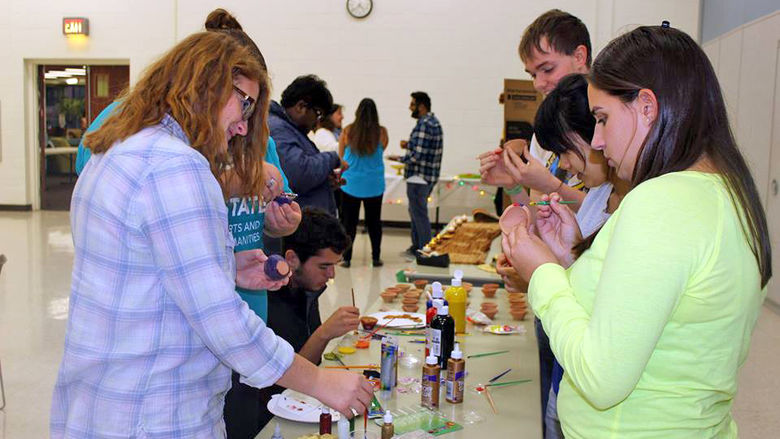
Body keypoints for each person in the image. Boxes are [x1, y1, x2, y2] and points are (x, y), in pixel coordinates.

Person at [50, 32, 372, 439]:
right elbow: (221, 319)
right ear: (202, 85)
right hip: (155, 413)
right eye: (243, 104)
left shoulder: (117, 147)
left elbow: (136, 268)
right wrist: (320, 382)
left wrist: (229, 266)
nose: (242, 125)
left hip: (104, 402)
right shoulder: (177, 167)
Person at [501, 25, 771, 438]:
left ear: (647, 106)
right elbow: (646, 315)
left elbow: (600, 377)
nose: (598, 141)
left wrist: (542, 274)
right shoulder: (728, 192)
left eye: (603, 119)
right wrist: (572, 260)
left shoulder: (662, 200)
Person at [252, 209, 360, 429]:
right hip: (269, 420)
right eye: (324, 266)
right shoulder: (267, 301)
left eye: (335, 265)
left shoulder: (306, 287)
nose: (331, 275)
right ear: (292, 259)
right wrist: (323, 334)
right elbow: (278, 383)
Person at [479, 9, 591, 209]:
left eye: (548, 69)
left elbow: (610, 214)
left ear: (580, 56)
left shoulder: (607, 124)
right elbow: (537, 218)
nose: (538, 84)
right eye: (533, 75)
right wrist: (512, 184)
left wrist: (551, 185)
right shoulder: (543, 132)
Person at [269, 75, 346, 216]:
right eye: (317, 114)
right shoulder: (278, 129)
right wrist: (333, 158)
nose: (317, 122)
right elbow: (299, 174)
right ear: (301, 106)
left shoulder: (291, 129)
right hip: (301, 228)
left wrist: (325, 180)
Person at [388, 91, 443, 258]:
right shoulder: (433, 122)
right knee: (417, 213)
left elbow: (417, 156)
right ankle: (416, 247)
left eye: (412, 104)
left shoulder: (425, 124)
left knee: (419, 215)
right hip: (426, 176)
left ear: (421, 106)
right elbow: (423, 148)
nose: (409, 108)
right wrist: (409, 144)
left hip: (419, 177)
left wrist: (399, 158)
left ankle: (423, 250)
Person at [338, 98, 388, 267]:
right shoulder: (381, 133)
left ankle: (347, 258)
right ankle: (376, 257)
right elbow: (382, 150)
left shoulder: (347, 131)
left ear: (357, 112)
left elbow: (341, 156)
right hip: (374, 184)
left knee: (348, 223)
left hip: (350, 183)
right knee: (374, 222)